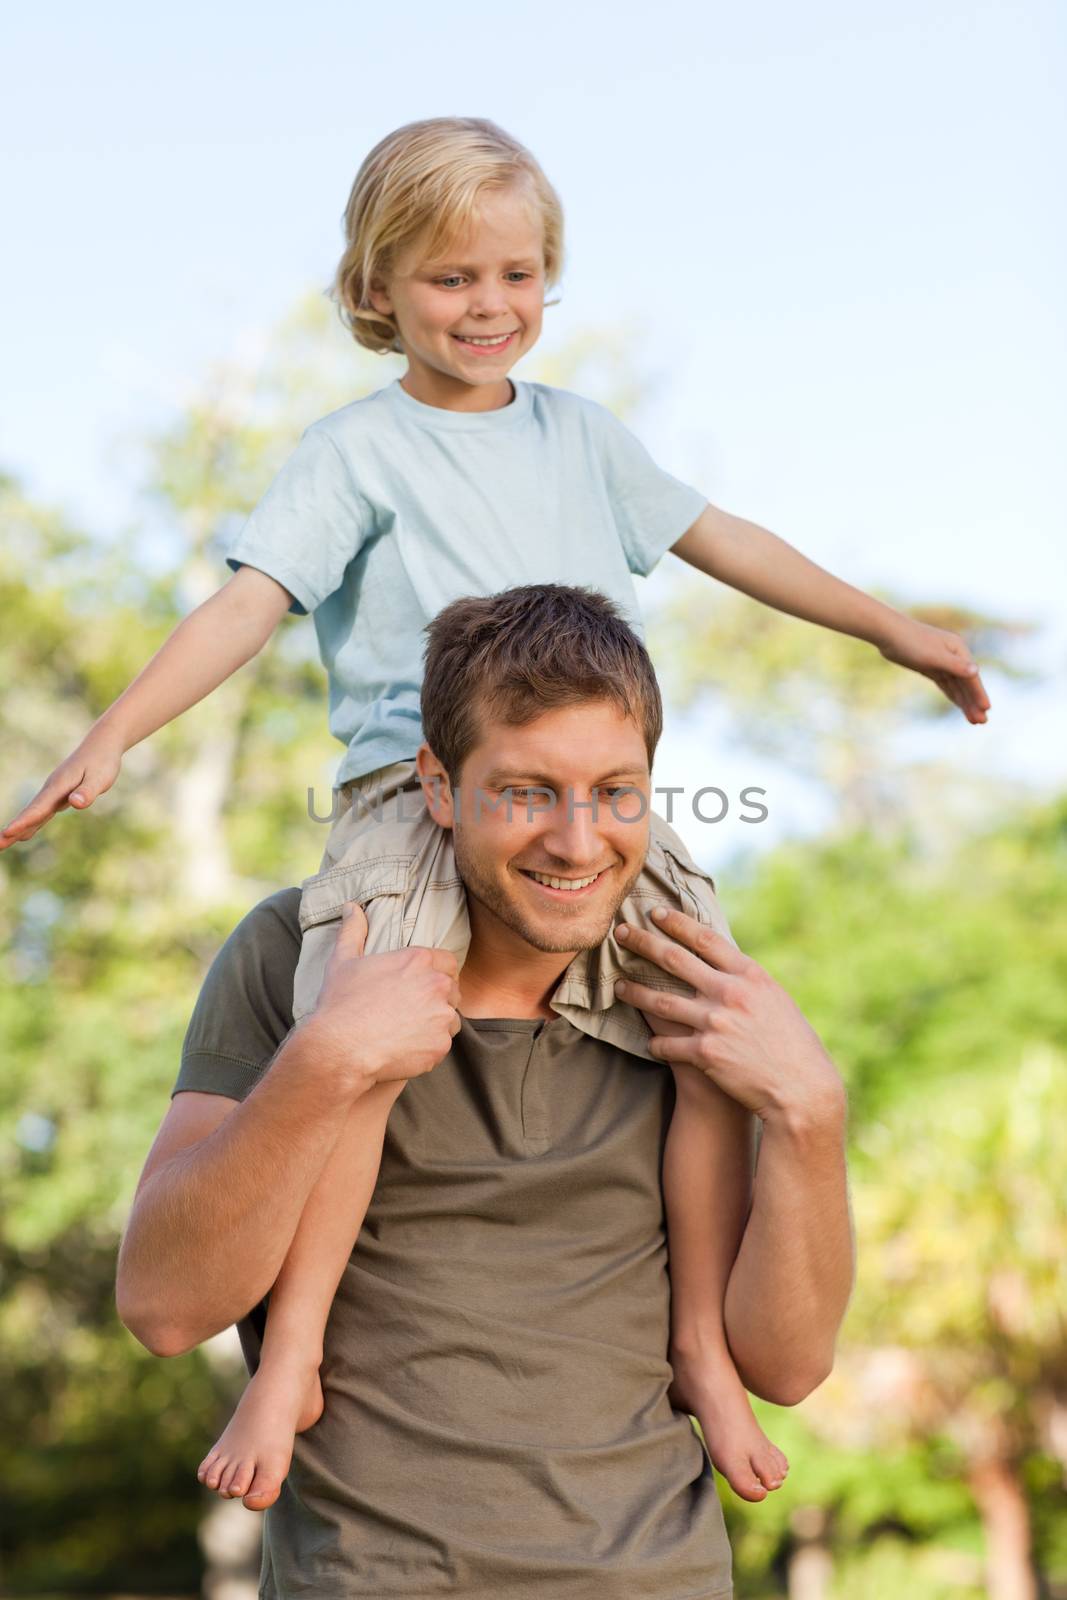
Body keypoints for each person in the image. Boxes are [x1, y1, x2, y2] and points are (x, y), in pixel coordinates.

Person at [5, 116, 983, 1504]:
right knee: (360, 1033)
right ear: (377, 289)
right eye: (450, 278)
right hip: (414, 795)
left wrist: (892, 631)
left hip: (572, 788)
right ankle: (291, 1358)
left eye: (516, 276)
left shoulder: (582, 437)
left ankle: (699, 1348)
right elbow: (246, 602)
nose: (488, 307)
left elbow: (729, 541)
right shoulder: (355, 451)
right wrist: (112, 732)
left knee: (700, 1027)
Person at [116, 584, 855, 1599]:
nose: (577, 840)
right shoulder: (295, 953)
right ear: (436, 784)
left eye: (616, 790)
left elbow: (788, 1365)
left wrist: (810, 1112)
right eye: (524, 791)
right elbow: (162, 1308)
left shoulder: (683, 993)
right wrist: (326, 1060)